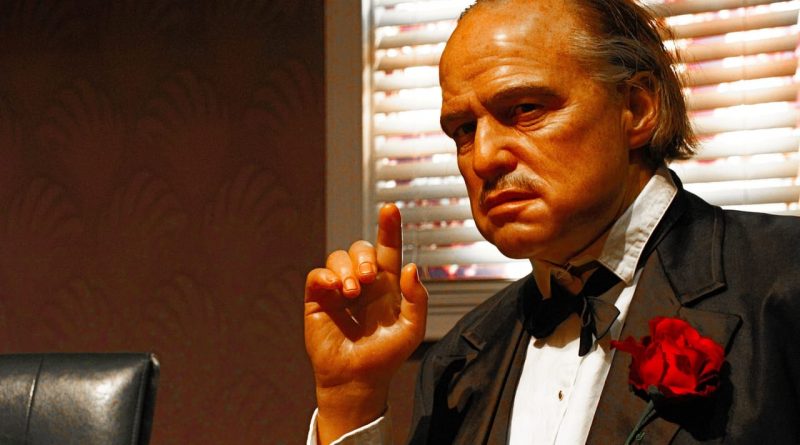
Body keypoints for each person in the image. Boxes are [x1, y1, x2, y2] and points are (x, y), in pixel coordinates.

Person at [304, 0, 800, 443]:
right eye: (464, 129)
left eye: (524, 109)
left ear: (636, 108)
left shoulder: (785, 281)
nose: (483, 158)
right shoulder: (461, 359)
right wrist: (352, 398)